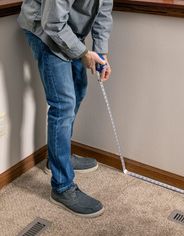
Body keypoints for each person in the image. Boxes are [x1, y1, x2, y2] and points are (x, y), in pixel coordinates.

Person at [17, 0, 113, 218]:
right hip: (44, 29)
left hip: (66, 28)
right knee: (63, 105)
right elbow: (52, 23)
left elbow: (104, 11)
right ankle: (61, 186)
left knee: (78, 91)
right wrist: (84, 53)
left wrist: (101, 53)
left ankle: (58, 158)